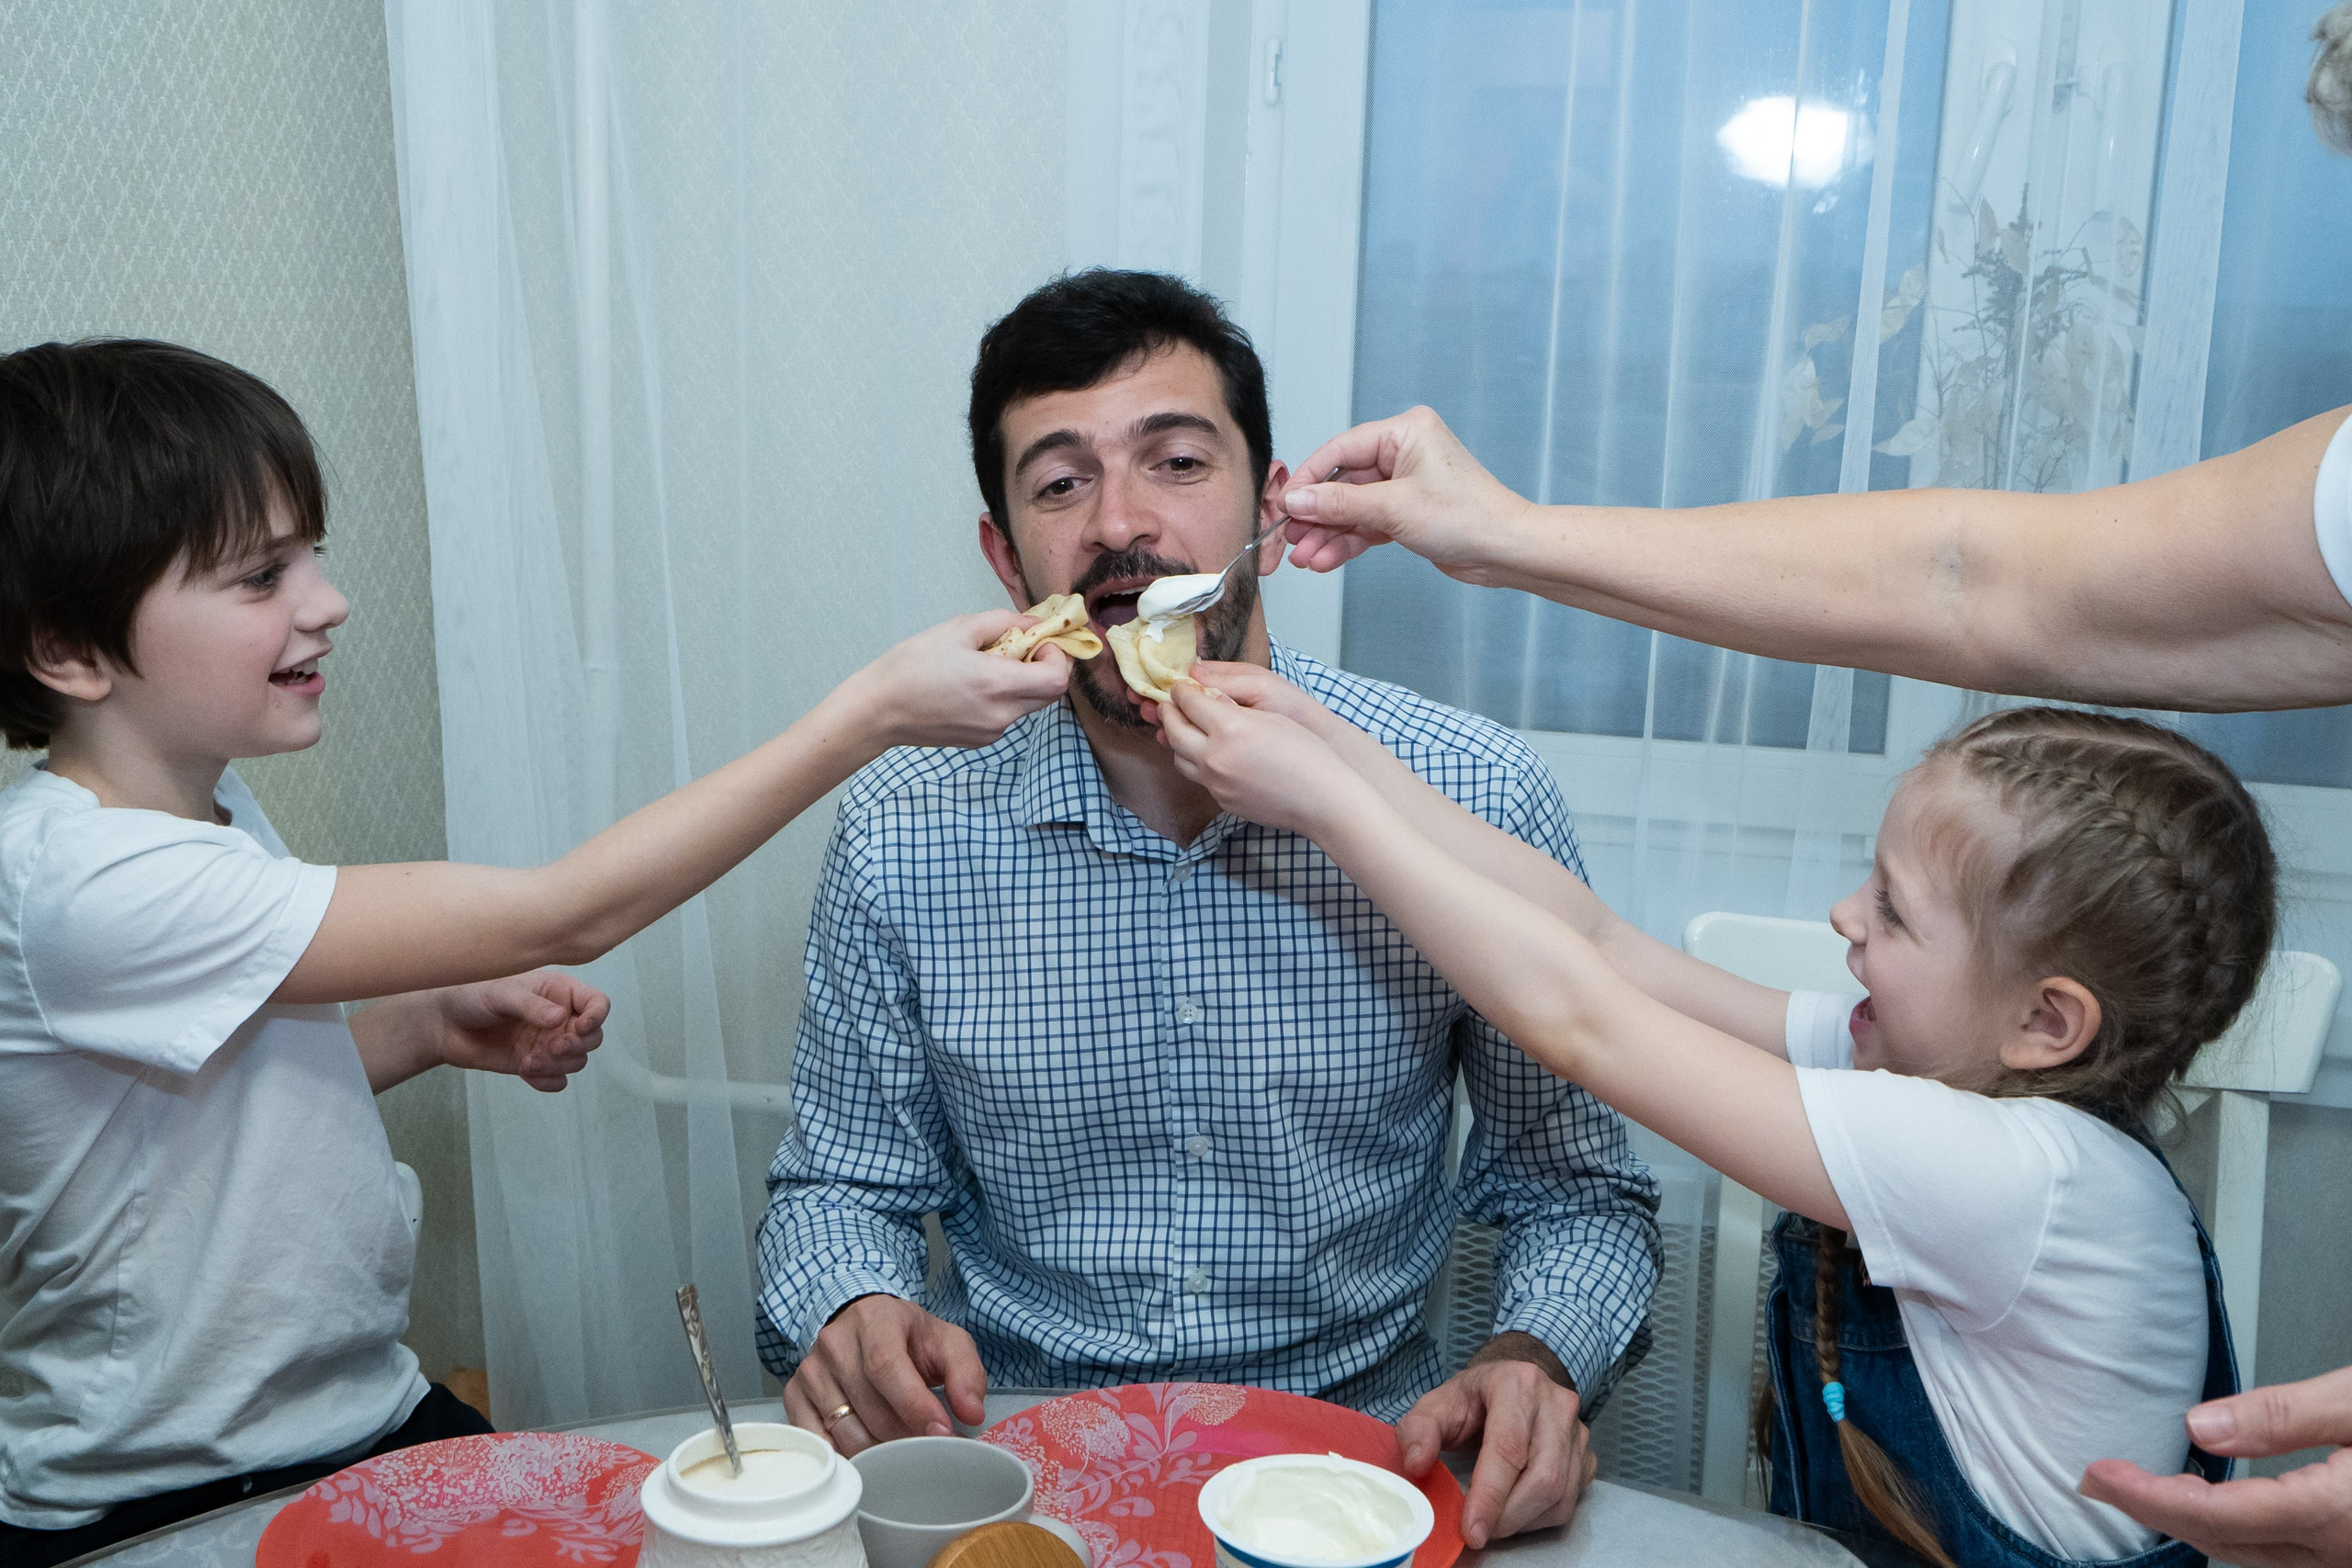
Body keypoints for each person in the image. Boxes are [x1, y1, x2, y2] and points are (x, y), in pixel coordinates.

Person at [0, 338, 1069, 1565]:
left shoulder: (202, 801)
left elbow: (191, 1122)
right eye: (258, 575)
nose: (326, 600)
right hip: (164, 1485)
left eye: (312, 554)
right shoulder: (84, 882)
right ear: (68, 650)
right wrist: (869, 714)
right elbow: (565, 909)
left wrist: (424, 1029)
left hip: (362, 1412)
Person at [753, 270, 1661, 1549]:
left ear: (1272, 511)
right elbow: (837, 1185)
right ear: (1008, 559)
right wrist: (849, 1300)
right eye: (1061, 483)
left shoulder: (1471, 794)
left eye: (1177, 461)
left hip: (1363, 1475)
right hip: (1019, 1473)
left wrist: (1533, 1357)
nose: (1123, 523)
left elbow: (1582, 1197)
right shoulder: (905, 828)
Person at [1159, 671, 2274, 1567]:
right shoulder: (1933, 1075)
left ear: (2044, 1022)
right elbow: (1604, 951)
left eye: (1890, 907)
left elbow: (1581, 1023)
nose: (1845, 915)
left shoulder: (2018, 1178)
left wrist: (1325, 809)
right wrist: (1326, 739)